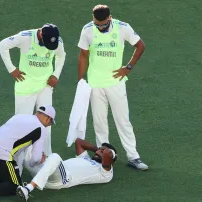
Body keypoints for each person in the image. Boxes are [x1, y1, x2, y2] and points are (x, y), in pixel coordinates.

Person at [77, 4, 148, 170]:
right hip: (95, 84)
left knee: (122, 120)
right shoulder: (87, 30)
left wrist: (128, 67)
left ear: (110, 18)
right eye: (97, 24)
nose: (100, 27)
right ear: (93, 19)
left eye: (103, 24)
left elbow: (140, 46)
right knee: (99, 121)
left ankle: (133, 156)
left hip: (116, 83)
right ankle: (103, 155)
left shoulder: (123, 28)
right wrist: (80, 80)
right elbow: (83, 56)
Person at [0, 23, 66, 157]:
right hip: (25, 88)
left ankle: (45, 159)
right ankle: (18, 163)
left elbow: (61, 55)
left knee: (47, 123)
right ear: (41, 34)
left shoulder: (57, 40)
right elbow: (3, 45)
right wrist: (12, 69)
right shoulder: (25, 37)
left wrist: (56, 74)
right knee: (21, 126)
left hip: (45, 87)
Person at [16, 138, 117, 201]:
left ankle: (28, 188)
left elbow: (108, 154)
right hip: (45, 175)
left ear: (111, 160)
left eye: (103, 151)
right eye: (100, 149)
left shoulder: (106, 173)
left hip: (62, 179)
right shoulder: (86, 158)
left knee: (55, 156)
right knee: (29, 152)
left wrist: (107, 152)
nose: (100, 151)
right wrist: (98, 149)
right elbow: (79, 142)